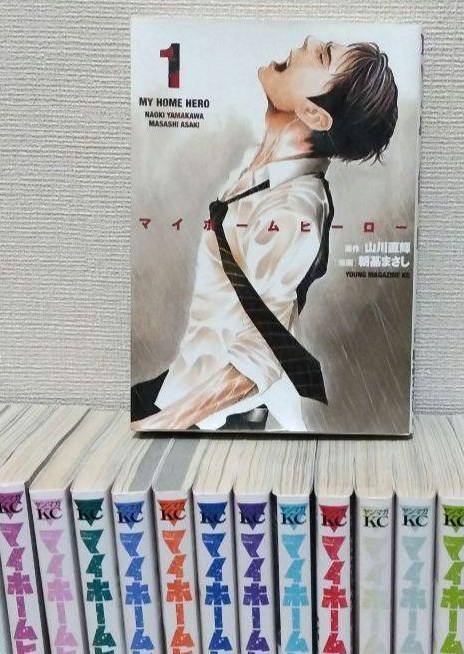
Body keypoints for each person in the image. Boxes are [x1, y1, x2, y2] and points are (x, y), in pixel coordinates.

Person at [131, 36, 399, 431]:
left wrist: (159, 424)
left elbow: (259, 359)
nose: (308, 42)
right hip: (182, 384)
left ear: (313, 114)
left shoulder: (293, 211)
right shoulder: (264, 169)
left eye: (321, 56)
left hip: (213, 416)